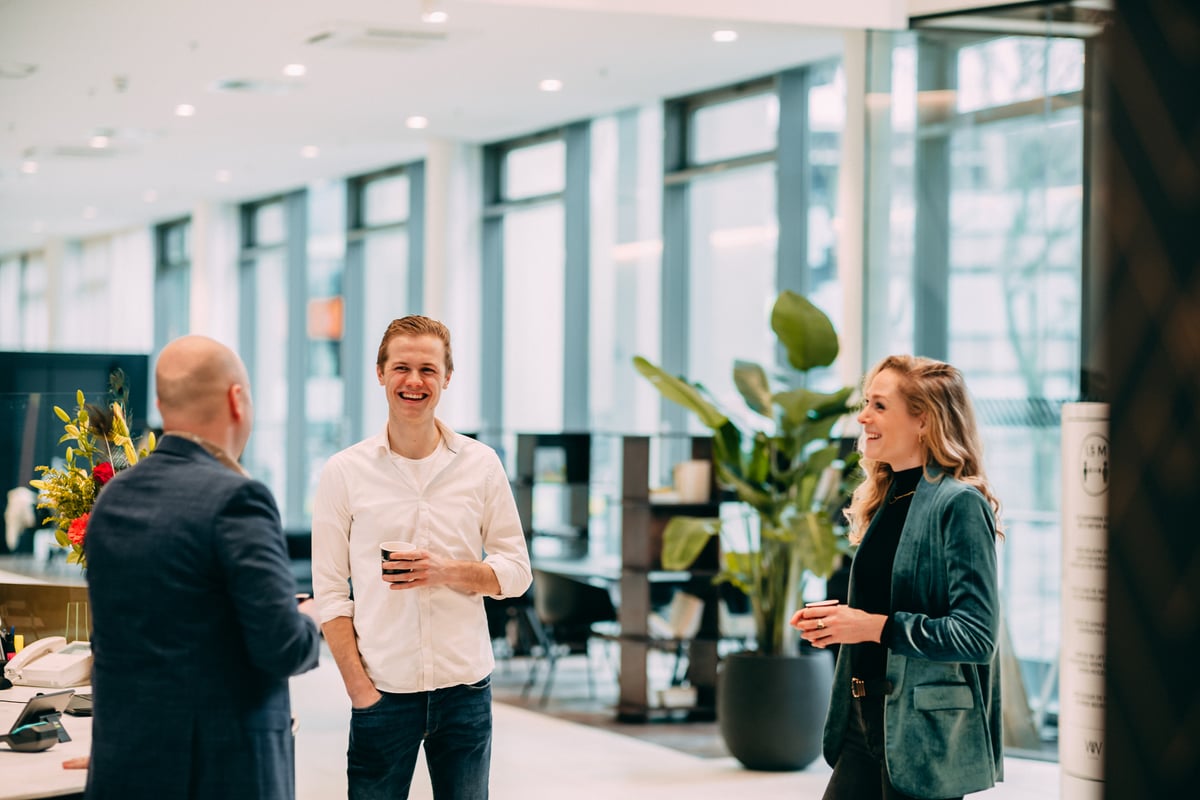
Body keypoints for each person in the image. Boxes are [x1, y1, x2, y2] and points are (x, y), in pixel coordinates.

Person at [83, 335, 323, 799]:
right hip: (220, 776)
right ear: (237, 400)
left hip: (124, 767)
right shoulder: (238, 498)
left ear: (161, 406)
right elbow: (283, 648)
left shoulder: (113, 498)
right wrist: (309, 618)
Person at [312, 315, 531, 800]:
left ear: (447, 377)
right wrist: (359, 690)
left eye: (428, 369)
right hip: (382, 691)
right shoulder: (344, 472)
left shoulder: (481, 465)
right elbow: (329, 592)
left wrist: (447, 570)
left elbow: (517, 572)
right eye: (402, 368)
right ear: (380, 373)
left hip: (465, 691)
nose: (415, 381)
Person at [791, 355, 1003, 800]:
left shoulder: (959, 504)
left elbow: (976, 636)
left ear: (923, 420)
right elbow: (884, 606)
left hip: (921, 735)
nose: (863, 417)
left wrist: (871, 626)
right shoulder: (887, 496)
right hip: (865, 722)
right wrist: (838, 623)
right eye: (866, 403)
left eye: (880, 406)